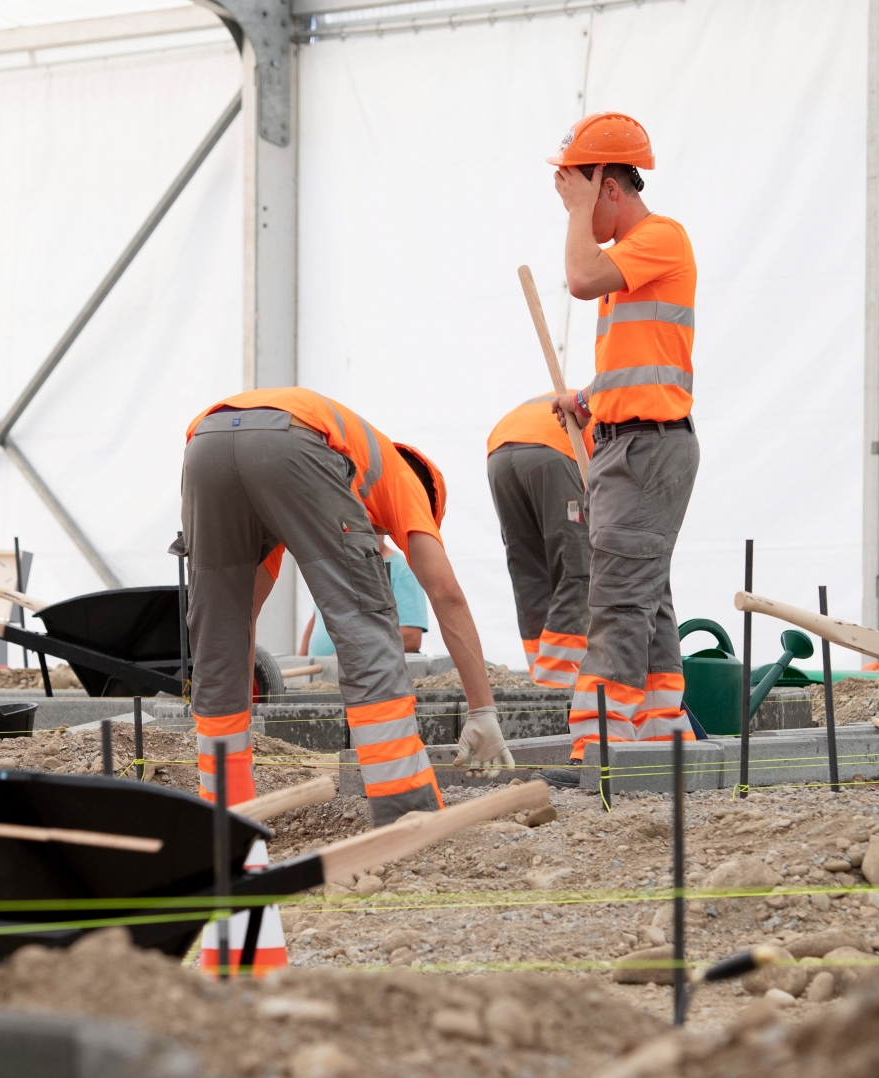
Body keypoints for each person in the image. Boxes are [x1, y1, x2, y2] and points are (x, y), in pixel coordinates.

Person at [179, 390, 512, 825]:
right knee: (364, 620)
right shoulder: (405, 478)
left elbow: (241, 622)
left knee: (219, 630)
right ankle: (406, 813)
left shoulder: (290, 501)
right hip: (293, 443)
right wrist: (483, 710)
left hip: (206, 441)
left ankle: (227, 815)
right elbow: (446, 592)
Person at [547, 112, 699, 751]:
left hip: (647, 449)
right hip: (635, 442)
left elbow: (578, 280)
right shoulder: (635, 261)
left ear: (612, 186)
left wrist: (576, 212)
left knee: (616, 599)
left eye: (582, 192)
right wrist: (589, 398)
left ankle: (600, 747)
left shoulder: (660, 238)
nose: (576, 213)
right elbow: (645, 362)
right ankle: (662, 733)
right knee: (646, 597)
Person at [485, 395, 589, 693]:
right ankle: (558, 682)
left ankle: (539, 676)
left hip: (499, 454)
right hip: (553, 449)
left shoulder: (583, 397)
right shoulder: (612, 410)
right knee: (578, 568)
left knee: (528, 572)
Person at [299, 532, 428, 655]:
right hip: (321, 672)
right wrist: (302, 657)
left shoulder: (401, 569)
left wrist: (351, 656)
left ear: (383, 528)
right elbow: (319, 614)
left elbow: (411, 636)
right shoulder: (336, 567)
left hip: (363, 673)